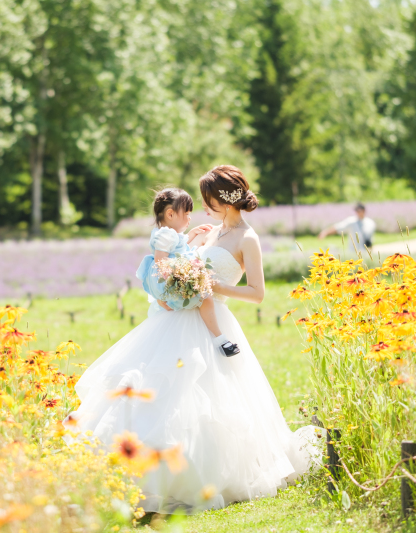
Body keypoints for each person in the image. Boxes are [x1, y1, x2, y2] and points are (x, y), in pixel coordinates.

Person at [65, 165, 321, 514]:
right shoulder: (211, 231)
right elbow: (182, 260)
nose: (203, 207)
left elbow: (257, 293)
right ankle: (130, 469)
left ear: (224, 199)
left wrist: (213, 287)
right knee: (157, 393)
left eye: (208, 200)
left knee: (207, 403)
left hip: (214, 323)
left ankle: (196, 474)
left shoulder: (248, 239)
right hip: (178, 322)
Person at [135, 188, 239, 356]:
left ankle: (219, 339)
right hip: (169, 279)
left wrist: (191, 234)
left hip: (167, 279)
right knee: (206, 299)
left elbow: (177, 247)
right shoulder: (166, 235)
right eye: (187, 213)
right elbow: (161, 260)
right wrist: (186, 271)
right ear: (170, 214)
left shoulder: (167, 234)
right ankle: (220, 339)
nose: (190, 218)